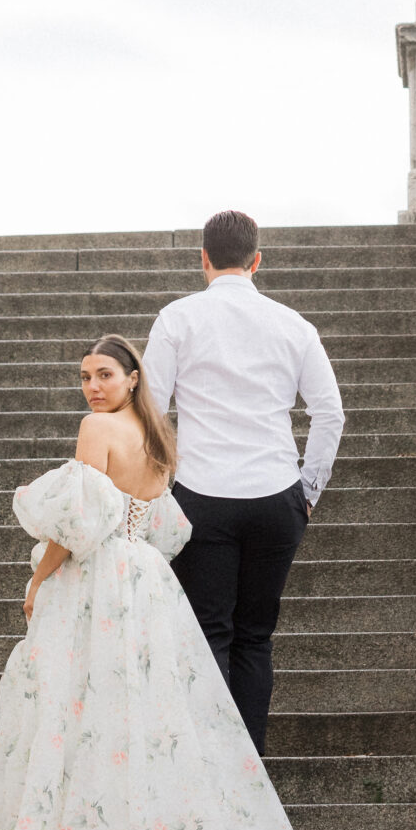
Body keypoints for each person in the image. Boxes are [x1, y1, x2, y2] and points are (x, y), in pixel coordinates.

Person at [0, 331, 324, 830]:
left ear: (132, 378)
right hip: (146, 579)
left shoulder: (96, 431)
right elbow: (162, 525)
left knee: (86, 712)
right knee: (145, 719)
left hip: (100, 579)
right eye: (84, 377)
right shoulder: (157, 436)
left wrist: (38, 581)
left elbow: (77, 525)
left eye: (104, 375)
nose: (92, 387)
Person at [140, 208, 346, 751]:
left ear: (203, 260)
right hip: (276, 495)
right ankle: (250, 768)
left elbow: (153, 412)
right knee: (256, 638)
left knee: (209, 634)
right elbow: (330, 413)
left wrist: (158, 489)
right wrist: (308, 489)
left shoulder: (177, 319)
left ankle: (210, 768)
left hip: (201, 495)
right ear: (257, 261)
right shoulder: (295, 326)